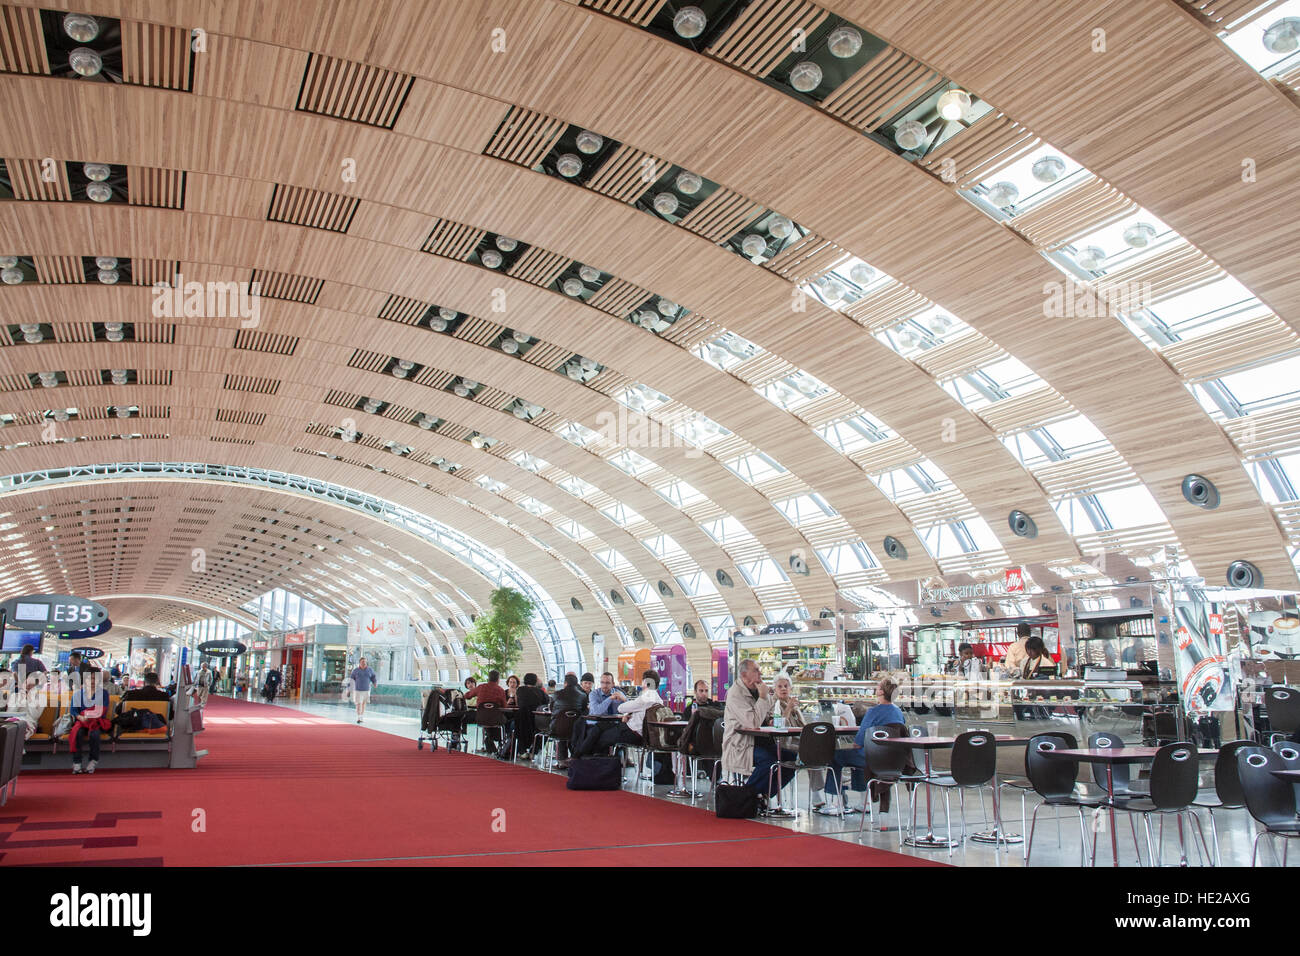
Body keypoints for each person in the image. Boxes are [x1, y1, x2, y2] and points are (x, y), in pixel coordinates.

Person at [822, 677, 907, 814]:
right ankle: (864, 801)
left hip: (872, 759)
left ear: (881, 692)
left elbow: (858, 742)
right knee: (860, 755)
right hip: (893, 760)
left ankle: (836, 802)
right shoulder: (898, 712)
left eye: (878, 687)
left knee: (836, 757)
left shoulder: (873, 712)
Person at [574, 670, 662, 758]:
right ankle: (592, 760)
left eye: (607, 683)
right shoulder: (659, 699)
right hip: (642, 733)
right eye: (602, 682)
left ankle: (583, 759)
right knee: (598, 729)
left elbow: (621, 708)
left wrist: (623, 699)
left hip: (632, 733)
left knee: (600, 736)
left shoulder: (644, 698)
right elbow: (637, 711)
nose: (604, 685)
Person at [722, 659, 775, 801]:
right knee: (768, 760)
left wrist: (771, 715)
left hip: (761, 741)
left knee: (789, 757)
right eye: (756, 670)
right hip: (740, 745)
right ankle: (745, 797)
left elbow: (769, 713)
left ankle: (762, 794)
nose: (760, 673)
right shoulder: (735, 694)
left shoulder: (757, 690)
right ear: (744, 674)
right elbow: (752, 723)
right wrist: (763, 697)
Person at [69, 668, 112, 774]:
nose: (92, 681)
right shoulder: (78, 694)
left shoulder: (103, 693)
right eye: (90, 678)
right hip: (82, 721)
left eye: (95, 678)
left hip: (96, 722)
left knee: (95, 734)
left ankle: (93, 761)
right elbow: (74, 711)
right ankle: (77, 762)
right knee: (78, 733)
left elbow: (102, 710)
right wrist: (82, 718)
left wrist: (90, 715)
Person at [464, 670, 509, 754]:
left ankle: (489, 740)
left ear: (488, 678)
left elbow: (467, 696)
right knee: (504, 721)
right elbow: (504, 707)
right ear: (498, 679)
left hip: (481, 719)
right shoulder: (500, 690)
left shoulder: (481, 687)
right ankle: (499, 743)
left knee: (487, 720)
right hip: (496, 720)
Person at [550, 672, 589, 767]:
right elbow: (585, 712)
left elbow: (552, 709)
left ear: (565, 683)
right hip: (577, 730)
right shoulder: (583, 696)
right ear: (577, 684)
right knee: (571, 727)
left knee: (562, 727)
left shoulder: (556, 694)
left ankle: (562, 760)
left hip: (558, 729)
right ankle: (575, 757)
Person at [515, 672, 550, 760]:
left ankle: (522, 751)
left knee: (515, 726)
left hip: (521, 721)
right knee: (545, 731)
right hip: (536, 721)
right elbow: (546, 704)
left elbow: (517, 703)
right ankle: (533, 752)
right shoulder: (540, 692)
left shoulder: (520, 690)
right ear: (535, 681)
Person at [349, 657, 378, 724]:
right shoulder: (355, 670)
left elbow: (373, 677)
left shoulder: (370, 670)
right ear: (360, 663)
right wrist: (349, 688)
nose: (364, 663)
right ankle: (359, 717)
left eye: (365, 662)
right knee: (358, 703)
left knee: (363, 704)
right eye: (362, 662)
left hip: (366, 690)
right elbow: (351, 680)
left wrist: (375, 683)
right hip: (357, 690)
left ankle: (361, 716)